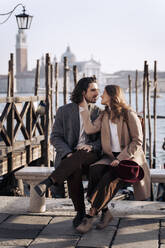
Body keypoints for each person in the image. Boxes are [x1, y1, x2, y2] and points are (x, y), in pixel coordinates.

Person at [75, 85, 151, 233]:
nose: (100, 96)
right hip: (110, 157)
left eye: (103, 93)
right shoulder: (104, 114)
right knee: (95, 170)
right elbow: (90, 129)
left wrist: (122, 158)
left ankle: (90, 215)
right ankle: (105, 212)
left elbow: (137, 140)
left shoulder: (129, 114)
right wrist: (84, 108)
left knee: (109, 178)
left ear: (112, 95)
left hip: (129, 159)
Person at [34, 77, 101, 228]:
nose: (97, 93)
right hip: (70, 156)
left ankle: (49, 182)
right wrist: (67, 153)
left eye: (97, 89)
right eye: (93, 90)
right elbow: (55, 137)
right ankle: (80, 211)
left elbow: (103, 141)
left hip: (91, 155)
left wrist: (92, 146)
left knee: (79, 158)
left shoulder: (98, 112)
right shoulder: (64, 111)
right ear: (83, 92)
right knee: (74, 168)